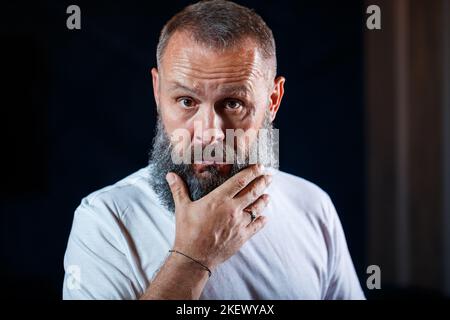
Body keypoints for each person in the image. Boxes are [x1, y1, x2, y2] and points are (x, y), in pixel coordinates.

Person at [63, 0, 365, 300]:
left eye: (233, 103)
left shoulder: (313, 207)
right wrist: (192, 259)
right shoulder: (105, 221)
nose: (209, 133)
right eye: (186, 101)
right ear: (157, 91)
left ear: (273, 100)